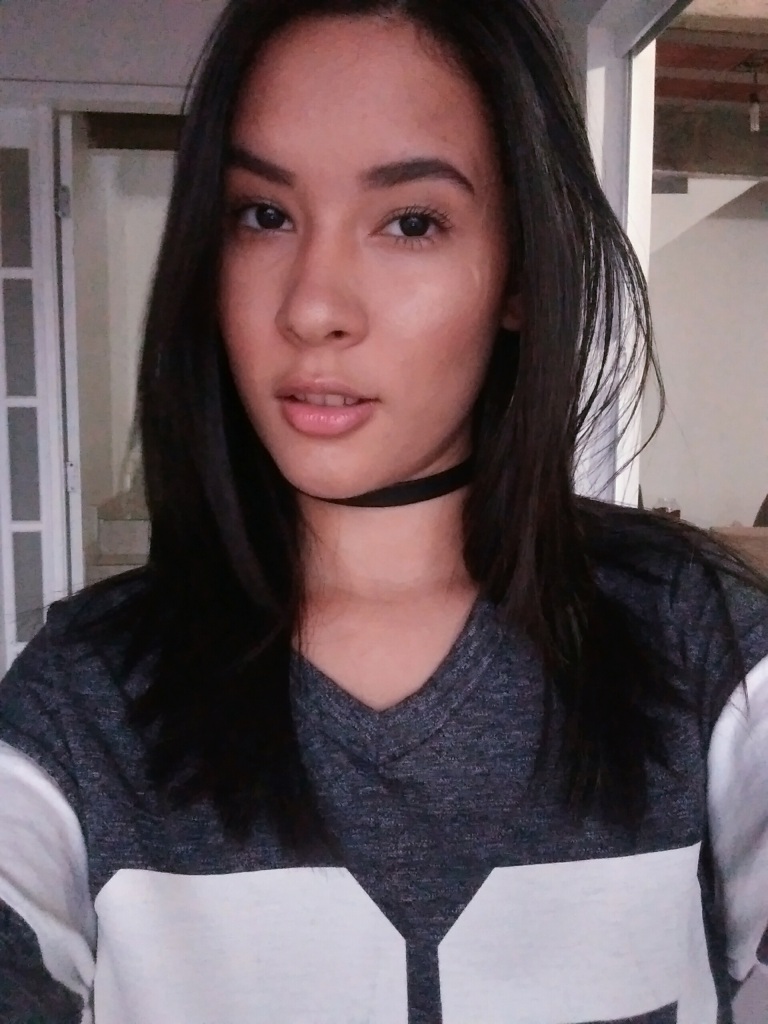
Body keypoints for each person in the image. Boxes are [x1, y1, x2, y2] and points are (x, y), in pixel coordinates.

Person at [1, 0, 767, 1021]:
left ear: (520, 273)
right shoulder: (84, 698)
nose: (312, 307)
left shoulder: (698, 639)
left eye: (411, 221)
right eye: (263, 215)